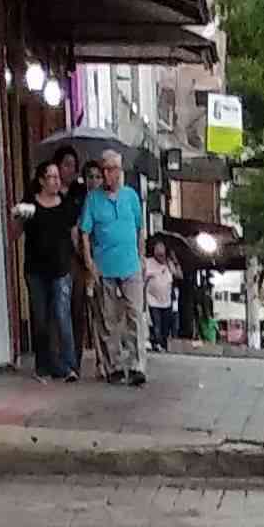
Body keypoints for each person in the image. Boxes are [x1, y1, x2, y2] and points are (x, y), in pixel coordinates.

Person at [83, 148, 148, 387]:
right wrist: (89, 262)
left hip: (130, 264)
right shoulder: (93, 199)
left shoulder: (130, 196)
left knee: (135, 314)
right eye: (107, 169)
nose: (111, 174)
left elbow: (140, 228)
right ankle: (114, 366)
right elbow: (85, 232)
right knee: (108, 318)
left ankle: (137, 365)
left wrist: (142, 255)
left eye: (114, 169)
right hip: (105, 265)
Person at [19, 160, 78, 384]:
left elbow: (74, 234)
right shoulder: (30, 205)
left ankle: (69, 365)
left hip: (61, 269)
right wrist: (16, 216)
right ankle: (43, 365)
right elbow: (15, 229)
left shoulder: (66, 205)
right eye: (51, 177)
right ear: (41, 181)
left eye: (57, 177)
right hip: (36, 270)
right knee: (41, 319)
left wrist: (78, 260)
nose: (56, 181)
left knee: (62, 316)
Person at [146, 236, 180, 355]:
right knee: (156, 325)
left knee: (166, 325)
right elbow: (143, 278)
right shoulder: (148, 262)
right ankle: (157, 343)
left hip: (166, 301)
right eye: (158, 249)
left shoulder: (169, 263)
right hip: (152, 300)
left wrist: (174, 261)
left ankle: (163, 344)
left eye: (162, 249)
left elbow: (179, 275)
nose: (160, 253)